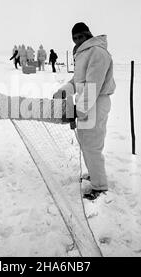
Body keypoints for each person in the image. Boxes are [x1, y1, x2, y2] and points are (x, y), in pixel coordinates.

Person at [53, 22, 116, 200]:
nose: (78, 40)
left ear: (88, 34)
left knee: (92, 146)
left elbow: (92, 86)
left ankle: (99, 186)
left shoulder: (97, 52)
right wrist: (63, 90)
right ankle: (94, 175)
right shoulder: (83, 53)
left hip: (95, 102)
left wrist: (77, 111)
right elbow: (77, 80)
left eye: (81, 36)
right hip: (86, 104)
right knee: (86, 143)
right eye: (75, 37)